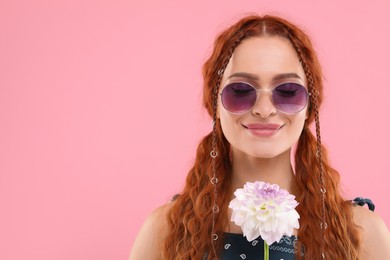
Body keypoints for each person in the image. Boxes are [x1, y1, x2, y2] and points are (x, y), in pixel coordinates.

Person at [130, 14, 390, 259]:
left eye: (288, 91)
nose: (264, 110)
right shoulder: (165, 231)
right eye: (241, 90)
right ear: (215, 104)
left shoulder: (362, 233)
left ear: (310, 106)